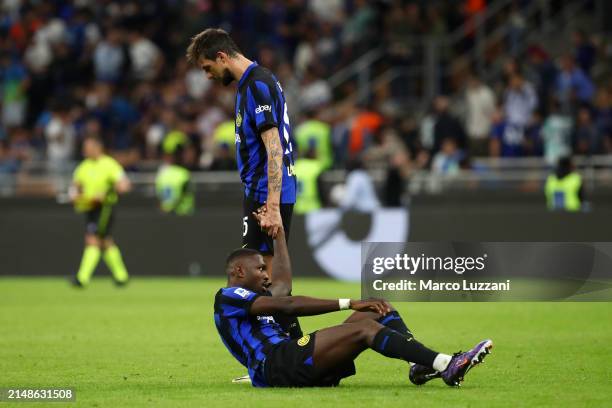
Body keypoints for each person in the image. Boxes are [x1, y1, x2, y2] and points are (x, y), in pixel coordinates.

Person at [214, 207, 493, 388]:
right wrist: (348, 302)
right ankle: (445, 364)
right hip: (275, 365)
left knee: (379, 309)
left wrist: (279, 235)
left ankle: (418, 365)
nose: (266, 275)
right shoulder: (227, 298)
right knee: (365, 328)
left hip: (291, 359)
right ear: (238, 271)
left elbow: (284, 286)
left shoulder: (258, 297)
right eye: (260, 268)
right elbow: (287, 302)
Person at [187, 28, 302, 382]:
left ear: (222, 56)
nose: (208, 76)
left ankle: (291, 355)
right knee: (265, 284)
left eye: (208, 68)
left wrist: (269, 205)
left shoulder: (257, 84)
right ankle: (293, 352)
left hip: (267, 194)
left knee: (262, 284)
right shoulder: (251, 85)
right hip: (261, 192)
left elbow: (274, 149)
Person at [70, 136, 131, 287]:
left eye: (88, 147)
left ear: (98, 148)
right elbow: (75, 187)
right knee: (105, 242)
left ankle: (82, 278)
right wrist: (76, 196)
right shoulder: (83, 166)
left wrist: (107, 192)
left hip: (104, 208)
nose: (85, 150)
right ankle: (122, 277)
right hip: (89, 208)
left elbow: (124, 185)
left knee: (92, 239)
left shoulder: (109, 164)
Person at [155, 145, 194, 216]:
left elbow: (159, 197)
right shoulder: (184, 173)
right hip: (183, 214)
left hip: (165, 215)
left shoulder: (162, 175)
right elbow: (182, 193)